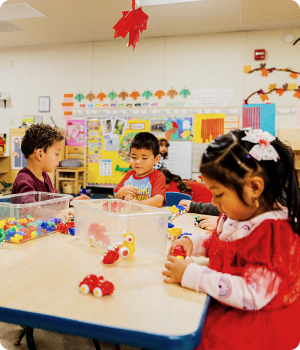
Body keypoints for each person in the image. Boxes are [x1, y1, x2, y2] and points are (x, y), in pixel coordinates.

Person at [163, 129, 300, 350]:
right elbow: (221, 244)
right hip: (230, 302)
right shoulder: (240, 214)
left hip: (255, 321)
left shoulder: (275, 234)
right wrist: (193, 242)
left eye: (218, 194)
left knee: (199, 338)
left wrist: (192, 274)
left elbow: (252, 293)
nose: (214, 203)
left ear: (254, 188)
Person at [114, 132, 166, 207]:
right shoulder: (129, 174)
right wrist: (121, 192)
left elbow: (158, 201)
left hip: (148, 216)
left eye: (144, 158)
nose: (137, 162)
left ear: (156, 159)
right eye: (134, 157)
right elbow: (116, 197)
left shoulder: (158, 176)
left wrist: (137, 204)